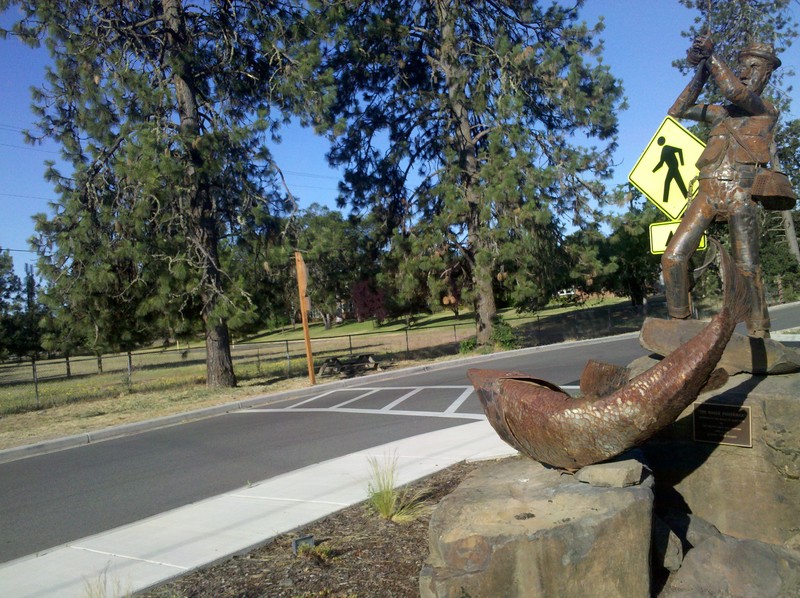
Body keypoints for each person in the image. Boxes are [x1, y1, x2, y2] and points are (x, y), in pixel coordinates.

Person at [662, 36, 781, 338]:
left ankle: (758, 333)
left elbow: (734, 91)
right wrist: (702, 69)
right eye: (741, 66)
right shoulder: (720, 114)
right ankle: (679, 328)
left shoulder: (765, 110)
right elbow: (677, 109)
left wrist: (712, 58)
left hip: (740, 194)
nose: (744, 72)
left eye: (752, 67)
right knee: (673, 257)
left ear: (766, 73)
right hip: (707, 193)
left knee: (747, 267)